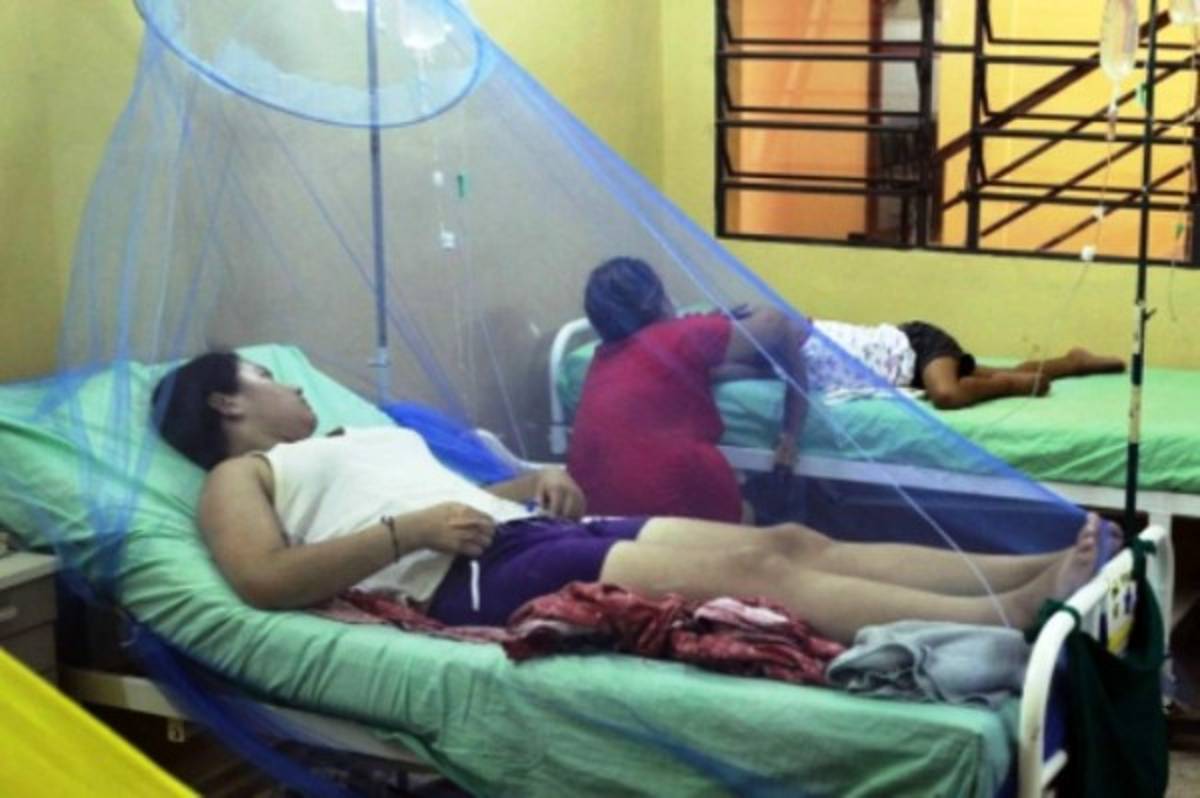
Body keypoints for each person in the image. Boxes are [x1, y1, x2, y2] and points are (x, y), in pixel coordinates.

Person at [151, 351, 1112, 646]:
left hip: (515, 528)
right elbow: (263, 580)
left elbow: (452, 496)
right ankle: (1014, 615)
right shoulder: (239, 476)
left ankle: (1024, 570)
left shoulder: (347, 439)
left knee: (788, 535)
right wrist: (410, 531)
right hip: (470, 577)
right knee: (762, 568)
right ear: (227, 403)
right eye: (265, 375)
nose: (290, 382)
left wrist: (524, 484)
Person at [567, 256, 808, 524]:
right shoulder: (678, 335)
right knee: (769, 509)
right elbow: (776, 322)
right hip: (677, 502)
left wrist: (755, 367)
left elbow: (698, 375)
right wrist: (791, 431)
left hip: (596, 514)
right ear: (656, 301)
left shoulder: (601, 362)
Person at [808, 319, 1126, 410]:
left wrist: (789, 440)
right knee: (1012, 370)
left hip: (915, 345)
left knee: (947, 395)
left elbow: (796, 375)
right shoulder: (772, 348)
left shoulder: (782, 325)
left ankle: (1008, 387)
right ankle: (1074, 362)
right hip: (906, 375)